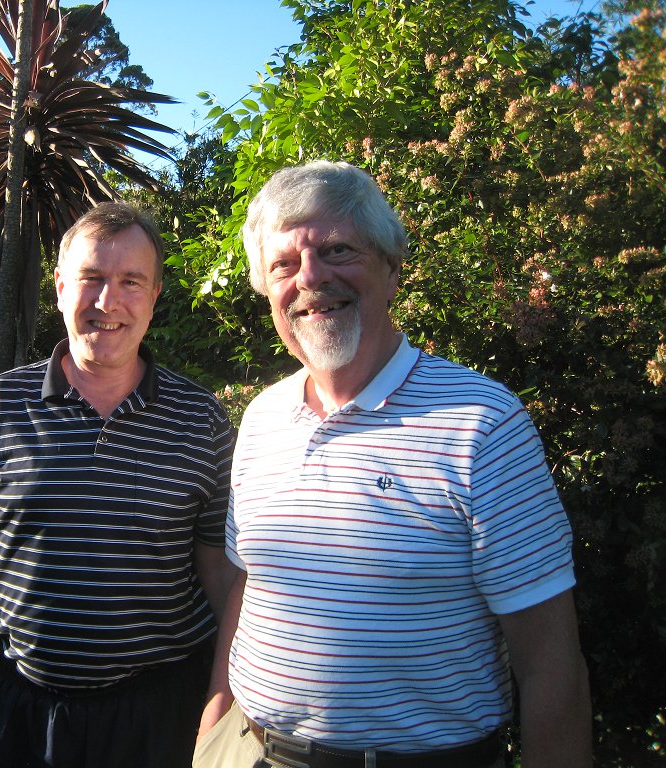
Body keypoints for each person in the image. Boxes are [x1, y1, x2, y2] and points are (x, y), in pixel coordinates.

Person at [194, 160, 591, 768]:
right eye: (284, 265)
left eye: (337, 250)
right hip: (246, 749)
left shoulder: (481, 424)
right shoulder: (262, 417)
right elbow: (250, 581)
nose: (311, 277)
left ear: (392, 266)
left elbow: (550, 664)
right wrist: (217, 713)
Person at [0, 201, 234, 768]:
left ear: (154, 296)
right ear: (61, 287)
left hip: (161, 716)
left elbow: (222, 570)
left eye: (130, 281)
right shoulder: (0, 405)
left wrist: (223, 698)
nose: (107, 302)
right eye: (91, 278)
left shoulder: (201, 419)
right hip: (19, 714)